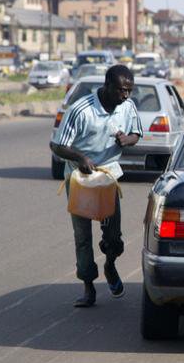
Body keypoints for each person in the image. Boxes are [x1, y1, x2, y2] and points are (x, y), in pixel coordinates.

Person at [49, 65, 143, 307]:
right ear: (107, 85)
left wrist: (127, 139)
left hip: (108, 177)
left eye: (129, 91)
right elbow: (57, 145)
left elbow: (136, 133)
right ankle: (88, 285)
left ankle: (110, 264)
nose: (126, 96)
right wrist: (80, 159)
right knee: (82, 236)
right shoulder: (81, 110)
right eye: (122, 90)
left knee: (113, 236)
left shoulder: (127, 107)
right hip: (80, 180)